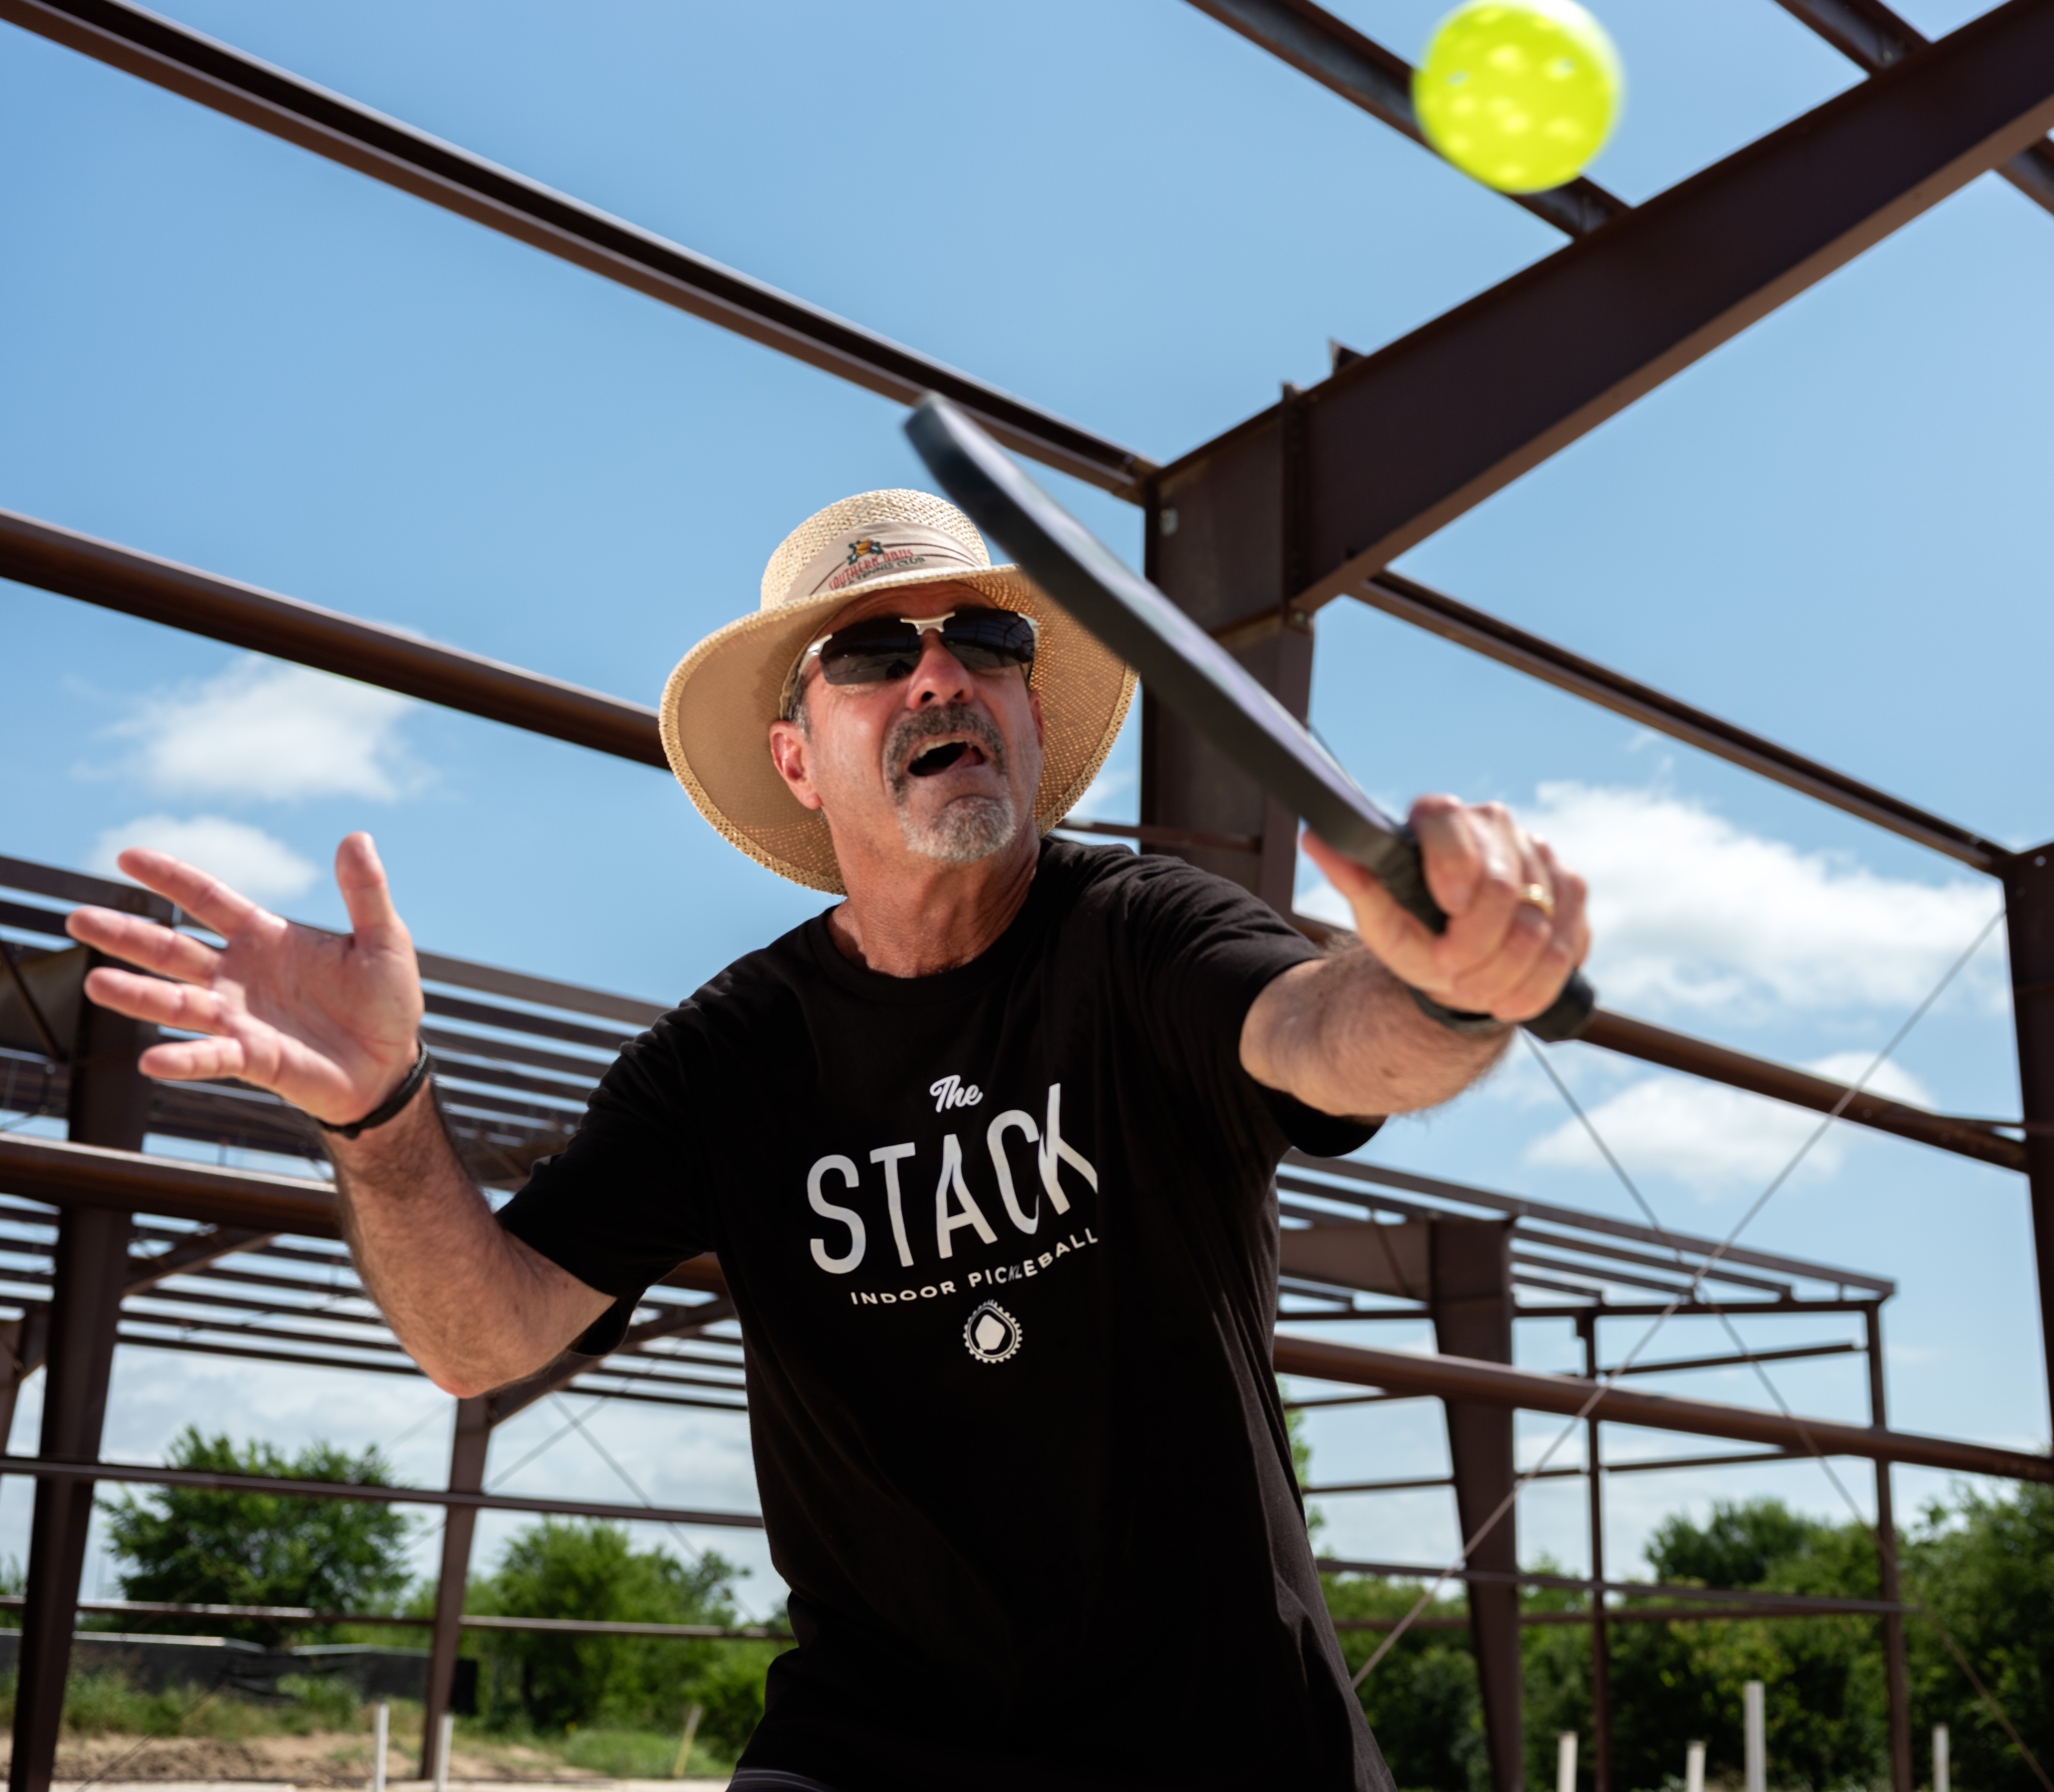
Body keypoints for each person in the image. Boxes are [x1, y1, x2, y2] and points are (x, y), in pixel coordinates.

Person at [69, 489, 1590, 1792]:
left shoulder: (1137, 935)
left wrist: (1445, 991)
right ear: (798, 758)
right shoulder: (729, 1057)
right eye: (873, 653)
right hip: (879, 1749)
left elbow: (1322, 1035)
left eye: (983, 641)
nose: (939, 676)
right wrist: (383, 1115)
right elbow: (487, 1334)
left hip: (1223, 1747)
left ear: (1029, 710)